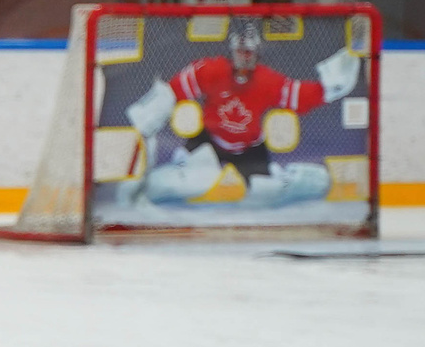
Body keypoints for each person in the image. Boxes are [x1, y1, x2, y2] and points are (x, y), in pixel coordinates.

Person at [122, 15, 360, 209]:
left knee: (266, 194)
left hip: (249, 148)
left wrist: (329, 87)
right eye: (241, 52)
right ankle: (141, 186)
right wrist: (153, 111)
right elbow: (173, 90)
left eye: (249, 53)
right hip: (208, 141)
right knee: (189, 182)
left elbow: (301, 96)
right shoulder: (212, 71)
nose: (245, 58)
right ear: (233, 50)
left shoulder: (267, 80)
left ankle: (304, 177)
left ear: (257, 54)